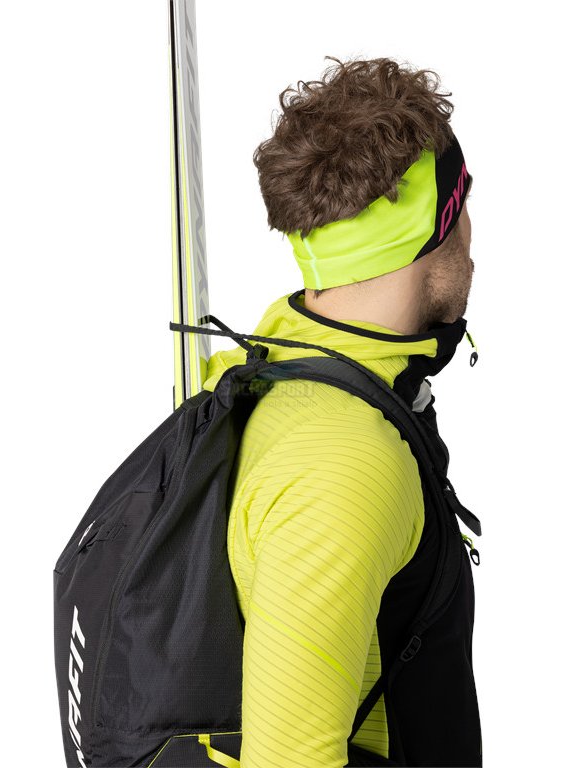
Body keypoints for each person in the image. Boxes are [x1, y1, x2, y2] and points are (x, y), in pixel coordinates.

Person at [200, 55, 480, 767]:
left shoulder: (273, 358)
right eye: (464, 206)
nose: (474, 240)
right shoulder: (343, 464)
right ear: (435, 227)